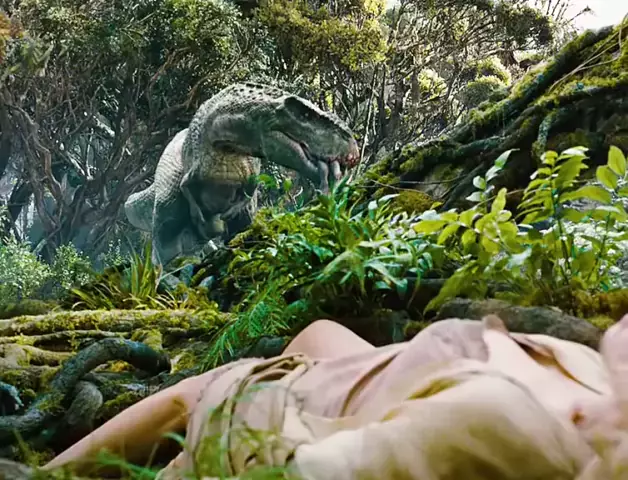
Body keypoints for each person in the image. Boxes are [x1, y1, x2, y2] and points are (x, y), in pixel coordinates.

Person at [42, 314, 628, 479]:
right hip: (378, 369)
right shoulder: (593, 377)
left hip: (288, 410)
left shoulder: (498, 426)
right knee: (321, 331)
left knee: (195, 394)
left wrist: (239, 401)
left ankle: (40, 472)